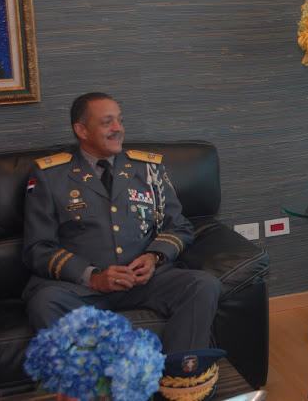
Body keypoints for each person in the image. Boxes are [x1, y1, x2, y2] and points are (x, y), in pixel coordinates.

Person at [22, 92, 222, 353]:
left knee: (203, 285)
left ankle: (179, 372)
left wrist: (154, 257)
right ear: (81, 130)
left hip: (144, 283)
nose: (118, 129)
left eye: (120, 120)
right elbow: (38, 247)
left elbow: (179, 226)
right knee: (45, 302)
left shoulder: (148, 169)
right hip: (81, 289)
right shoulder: (51, 175)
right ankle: (94, 376)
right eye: (107, 122)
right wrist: (92, 278)